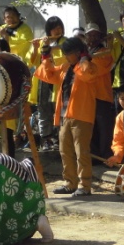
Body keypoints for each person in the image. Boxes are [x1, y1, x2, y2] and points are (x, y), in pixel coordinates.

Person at [36, 38, 98, 198]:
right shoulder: (64, 67)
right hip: (64, 115)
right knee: (65, 151)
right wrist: (45, 56)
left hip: (82, 115)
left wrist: (84, 58)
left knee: (81, 152)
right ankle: (70, 184)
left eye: (68, 54)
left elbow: (85, 74)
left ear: (78, 53)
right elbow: (47, 75)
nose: (65, 56)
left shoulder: (90, 66)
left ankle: (85, 186)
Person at [28, 16, 66, 152]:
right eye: (54, 28)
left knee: (58, 110)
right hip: (43, 82)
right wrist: (36, 47)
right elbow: (32, 62)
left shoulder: (66, 42)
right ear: (48, 30)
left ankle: (58, 138)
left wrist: (51, 49)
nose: (57, 30)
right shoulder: (43, 42)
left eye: (59, 27)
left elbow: (62, 59)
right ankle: (46, 139)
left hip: (59, 80)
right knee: (43, 110)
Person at [86, 23, 115, 160]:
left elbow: (96, 69)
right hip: (88, 96)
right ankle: (94, 156)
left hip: (102, 95)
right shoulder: (85, 52)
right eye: (90, 34)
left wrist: (85, 60)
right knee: (90, 127)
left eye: (95, 34)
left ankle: (106, 156)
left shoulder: (105, 52)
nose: (92, 37)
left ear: (99, 37)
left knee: (104, 128)